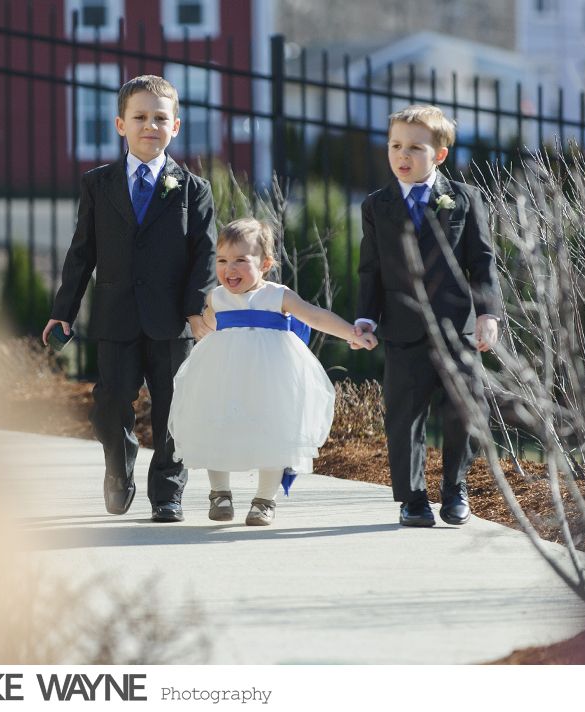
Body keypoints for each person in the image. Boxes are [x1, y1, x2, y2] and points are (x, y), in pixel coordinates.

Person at [42, 75, 216, 523]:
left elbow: (205, 253)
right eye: (140, 117)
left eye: (161, 118)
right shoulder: (98, 184)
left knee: (173, 407)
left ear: (175, 126)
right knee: (110, 403)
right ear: (121, 124)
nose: (150, 126)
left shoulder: (193, 188)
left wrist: (196, 308)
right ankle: (118, 470)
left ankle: (168, 493)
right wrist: (63, 311)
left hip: (172, 319)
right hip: (116, 316)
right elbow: (82, 253)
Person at [167, 218, 377, 526]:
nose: (230, 269)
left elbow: (315, 315)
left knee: (274, 431)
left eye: (241, 260)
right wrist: (196, 324)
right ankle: (220, 493)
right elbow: (206, 326)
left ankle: (264, 499)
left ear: (265, 263)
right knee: (215, 425)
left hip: (271, 378)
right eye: (223, 260)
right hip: (224, 376)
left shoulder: (278, 296)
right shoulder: (217, 298)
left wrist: (351, 333)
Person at [353, 104, 501, 527]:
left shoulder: (464, 198)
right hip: (403, 329)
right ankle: (412, 499)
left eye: (415, 147)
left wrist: (489, 313)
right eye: (395, 145)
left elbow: (482, 261)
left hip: (458, 328)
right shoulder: (377, 205)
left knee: (465, 409)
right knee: (405, 416)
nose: (402, 155)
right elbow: (371, 269)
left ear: (438, 154)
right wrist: (366, 317)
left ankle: (455, 489)